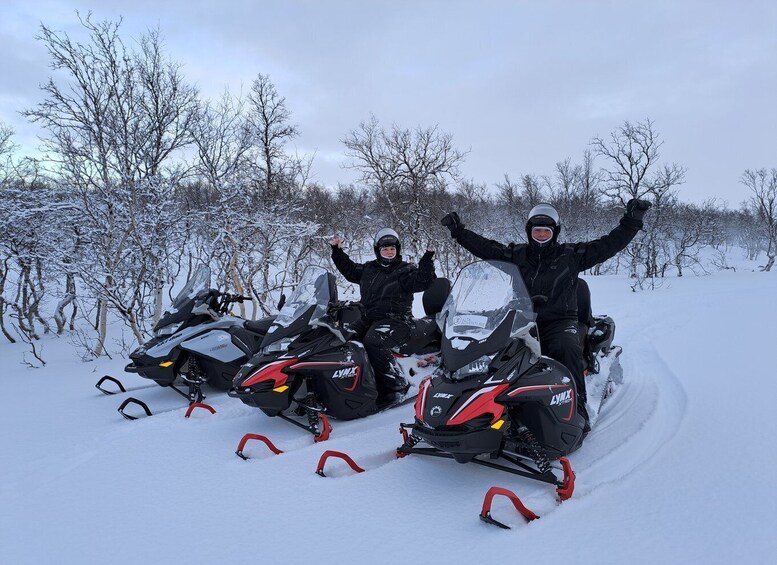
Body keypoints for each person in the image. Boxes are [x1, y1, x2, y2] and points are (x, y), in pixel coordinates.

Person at [441, 199, 651, 426]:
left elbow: (609, 245)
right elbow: (486, 248)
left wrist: (632, 221)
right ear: (530, 231)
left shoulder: (571, 255)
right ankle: (483, 405)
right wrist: (459, 232)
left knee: (566, 348)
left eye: (546, 231)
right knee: (494, 353)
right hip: (522, 319)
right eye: (537, 230)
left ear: (555, 232)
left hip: (560, 321)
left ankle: (577, 410)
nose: (541, 235)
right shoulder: (516, 254)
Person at [330, 228, 437, 405]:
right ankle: (351, 384)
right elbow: (349, 270)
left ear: (397, 250)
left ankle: (394, 386)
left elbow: (423, 281)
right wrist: (337, 251)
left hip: (396, 320)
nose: (389, 252)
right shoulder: (369, 269)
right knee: (343, 337)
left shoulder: (405, 271)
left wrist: (427, 259)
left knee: (373, 343)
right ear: (378, 250)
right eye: (385, 249)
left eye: (392, 248)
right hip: (369, 318)